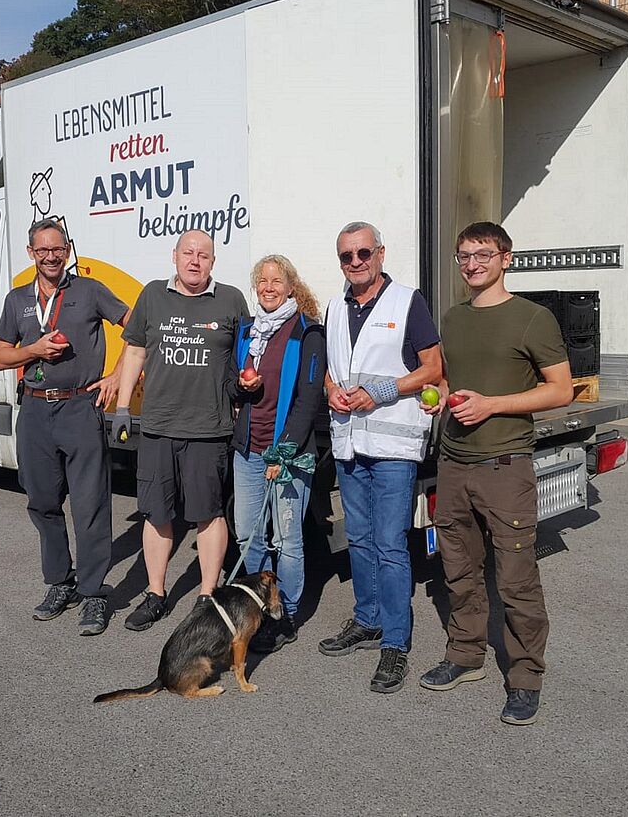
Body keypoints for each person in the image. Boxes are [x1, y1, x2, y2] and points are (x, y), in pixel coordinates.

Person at [417, 220, 573, 726]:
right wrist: (439, 398)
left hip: (505, 465)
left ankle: (526, 677)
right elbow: (451, 381)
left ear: (506, 258)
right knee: (458, 569)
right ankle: (465, 655)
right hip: (454, 463)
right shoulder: (453, 318)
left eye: (483, 254)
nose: (473, 264)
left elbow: (560, 390)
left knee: (516, 578)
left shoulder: (532, 319)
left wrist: (492, 405)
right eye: (464, 256)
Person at [320, 221, 442, 693]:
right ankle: (367, 620)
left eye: (363, 253)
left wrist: (382, 391)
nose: (355, 262)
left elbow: (432, 368)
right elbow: (332, 369)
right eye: (346, 255)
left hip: (393, 447)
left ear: (380, 253)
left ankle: (395, 642)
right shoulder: (335, 307)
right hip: (350, 442)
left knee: (390, 545)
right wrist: (331, 390)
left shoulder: (407, 301)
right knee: (360, 539)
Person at [0, 218, 129, 636]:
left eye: (57, 249)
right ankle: (59, 583)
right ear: (31, 253)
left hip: (80, 407)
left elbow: (137, 327)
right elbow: (1, 357)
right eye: (43, 250)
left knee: (90, 505)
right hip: (35, 411)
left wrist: (118, 376)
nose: (51, 257)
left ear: (67, 250)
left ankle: (93, 593)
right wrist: (33, 350)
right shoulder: (17, 300)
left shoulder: (89, 291)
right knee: (42, 502)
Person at [111, 230, 249, 631]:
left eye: (203, 255)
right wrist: (123, 407)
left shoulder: (231, 300)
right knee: (157, 513)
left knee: (209, 514)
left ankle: (208, 596)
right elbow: (135, 350)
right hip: (159, 427)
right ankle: (156, 594)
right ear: (174, 256)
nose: (195, 261)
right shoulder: (153, 295)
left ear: (213, 261)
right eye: (188, 253)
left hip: (209, 429)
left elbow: (245, 358)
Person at [230, 255, 326, 653]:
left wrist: (281, 453)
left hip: (288, 454)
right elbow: (231, 387)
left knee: (286, 540)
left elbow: (309, 399)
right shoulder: (248, 331)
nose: (269, 287)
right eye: (263, 281)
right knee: (247, 535)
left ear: (290, 287)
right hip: (248, 450)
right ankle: (259, 606)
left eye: (276, 281)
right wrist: (241, 387)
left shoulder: (307, 332)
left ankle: (284, 615)